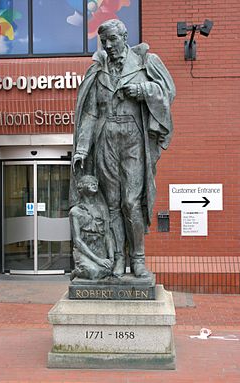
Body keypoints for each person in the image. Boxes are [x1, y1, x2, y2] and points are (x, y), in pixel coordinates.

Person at [70, 19, 175, 278]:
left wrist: (143, 90)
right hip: (106, 139)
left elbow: (167, 92)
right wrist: (82, 148)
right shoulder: (98, 70)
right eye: (104, 41)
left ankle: (137, 258)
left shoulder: (144, 62)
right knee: (112, 205)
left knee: (131, 202)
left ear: (125, 36)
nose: (108, 45)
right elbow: (91, 114)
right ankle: (118, 258)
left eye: (113, 39)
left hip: (133, 139)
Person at [69, 175, 114, 280]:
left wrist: (111, 257)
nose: (94, 184)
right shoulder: (75, 211)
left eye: (95, 182)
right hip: (84, 251)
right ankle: (78, 271)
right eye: (89, 182)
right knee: (93, 272)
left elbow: (107, 234)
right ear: (81, 187)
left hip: (99, 249)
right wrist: (98, 260)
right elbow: (77, 240)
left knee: (109, 269)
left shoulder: (102, 208)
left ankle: (88, 268)